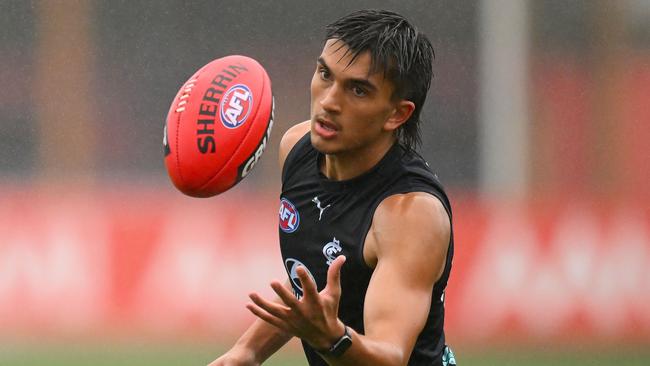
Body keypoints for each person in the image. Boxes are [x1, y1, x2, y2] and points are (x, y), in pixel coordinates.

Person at [210, 9, 455, 366]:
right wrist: (245, 353)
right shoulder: (297, 148)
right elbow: (312, 285)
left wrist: (332, 339)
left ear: (396, 115)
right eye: (325, 74)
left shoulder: (409, 215)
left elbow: (390, 357)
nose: (328, 102)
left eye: (358, 89)